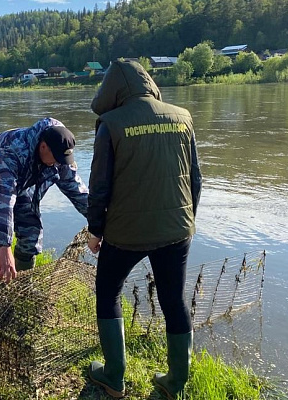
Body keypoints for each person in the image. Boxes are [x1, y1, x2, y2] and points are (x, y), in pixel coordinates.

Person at [86, 60, 202, 399]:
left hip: (125, 234)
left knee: (108, 293)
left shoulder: (110, 124)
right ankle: (175, 384)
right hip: (178, 229)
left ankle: (113, 377)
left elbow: (100, 187)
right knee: (173, 299)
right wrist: (185, 219)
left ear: (113, 91)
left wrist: (95, 230)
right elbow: (196, 180)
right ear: (148, 82)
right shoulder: (183, 117)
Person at [0, 117, 88, 284]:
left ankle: (22, 287)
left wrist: (100, 223)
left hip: (19, 181)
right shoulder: (11, 152)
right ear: (43, 147)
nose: (58, 164)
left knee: (31, 231)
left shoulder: (59, 149)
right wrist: (5, 247)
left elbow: (77, 190)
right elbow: (2, 201)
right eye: (55, 159)